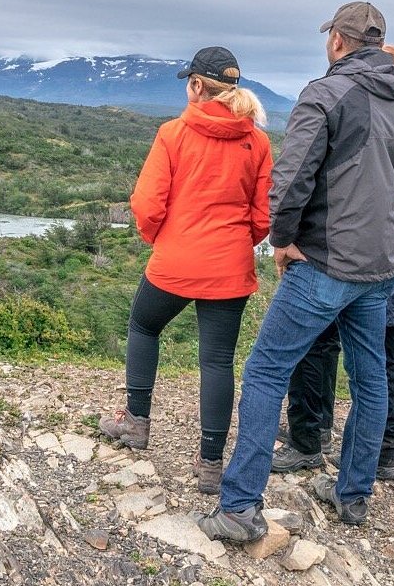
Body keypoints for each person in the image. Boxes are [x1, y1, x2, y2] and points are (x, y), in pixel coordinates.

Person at [196, 2, 394, 542]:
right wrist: (386, 229)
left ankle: (238, 509)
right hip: (382, 267)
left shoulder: (324, 94)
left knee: (265, 371)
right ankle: (352, 494)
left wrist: (283, 241)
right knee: (371, 376)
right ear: (378, 42)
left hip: (326, 262)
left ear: (337, 41)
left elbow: (292, 178)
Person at [99, 46, 273, 495]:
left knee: (143, 324)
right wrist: (238, 243)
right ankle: (211, 465)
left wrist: (163, 237)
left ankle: (136, 423)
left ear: (197, 85)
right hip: (230, 266)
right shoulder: (258, 140)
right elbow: (263, 216)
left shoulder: (173, 133)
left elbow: (146, 204)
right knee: (217, 360)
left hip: (176, 259)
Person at [270, 44, 394, 478]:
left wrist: (287, 236)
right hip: (387, 254)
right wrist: (393, 223)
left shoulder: (341, 99)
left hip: (341, 252)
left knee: (288, 358)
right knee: (375, 361)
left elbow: (297, 175)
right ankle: (366, 467)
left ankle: (316, 443)